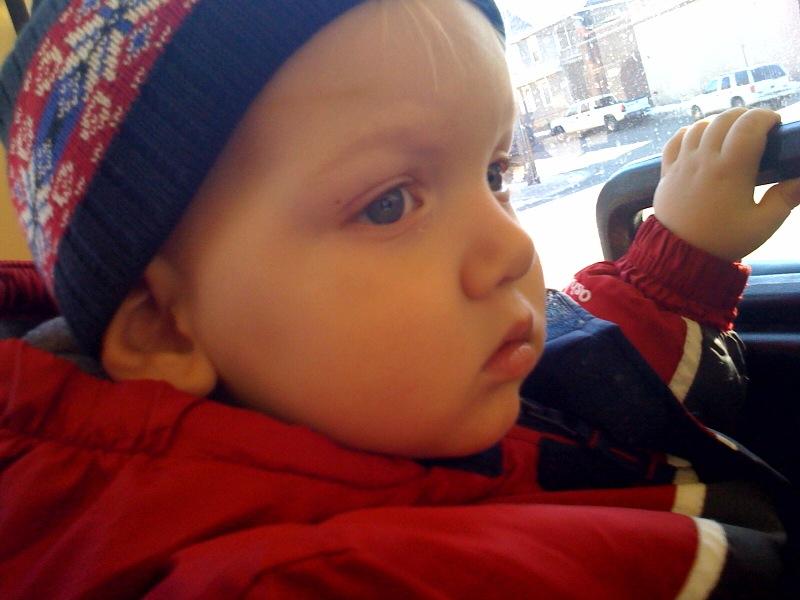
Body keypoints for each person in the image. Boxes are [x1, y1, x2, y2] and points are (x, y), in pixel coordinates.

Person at [0, 0, 797, 597]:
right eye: (388, 204)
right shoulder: (326, 579)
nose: (514, 248)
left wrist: (678, 257)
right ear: (165, 329)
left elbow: (572, 371)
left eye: (495, 174)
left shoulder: (402, 392)